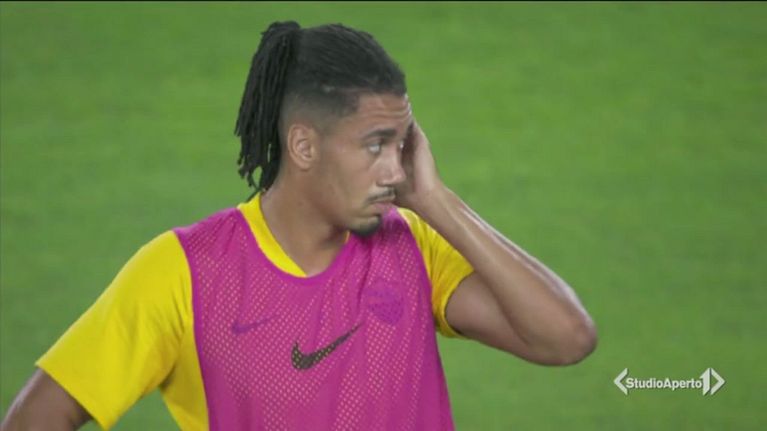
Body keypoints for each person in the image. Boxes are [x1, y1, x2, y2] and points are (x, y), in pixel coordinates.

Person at [1, 21, 597, 431]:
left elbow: (566, 339)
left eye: (402, 144)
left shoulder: (413, 246)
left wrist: (436, 200)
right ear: (304, 145)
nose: (396, 171)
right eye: (375, 145)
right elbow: (36, 419)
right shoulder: (182, 272)